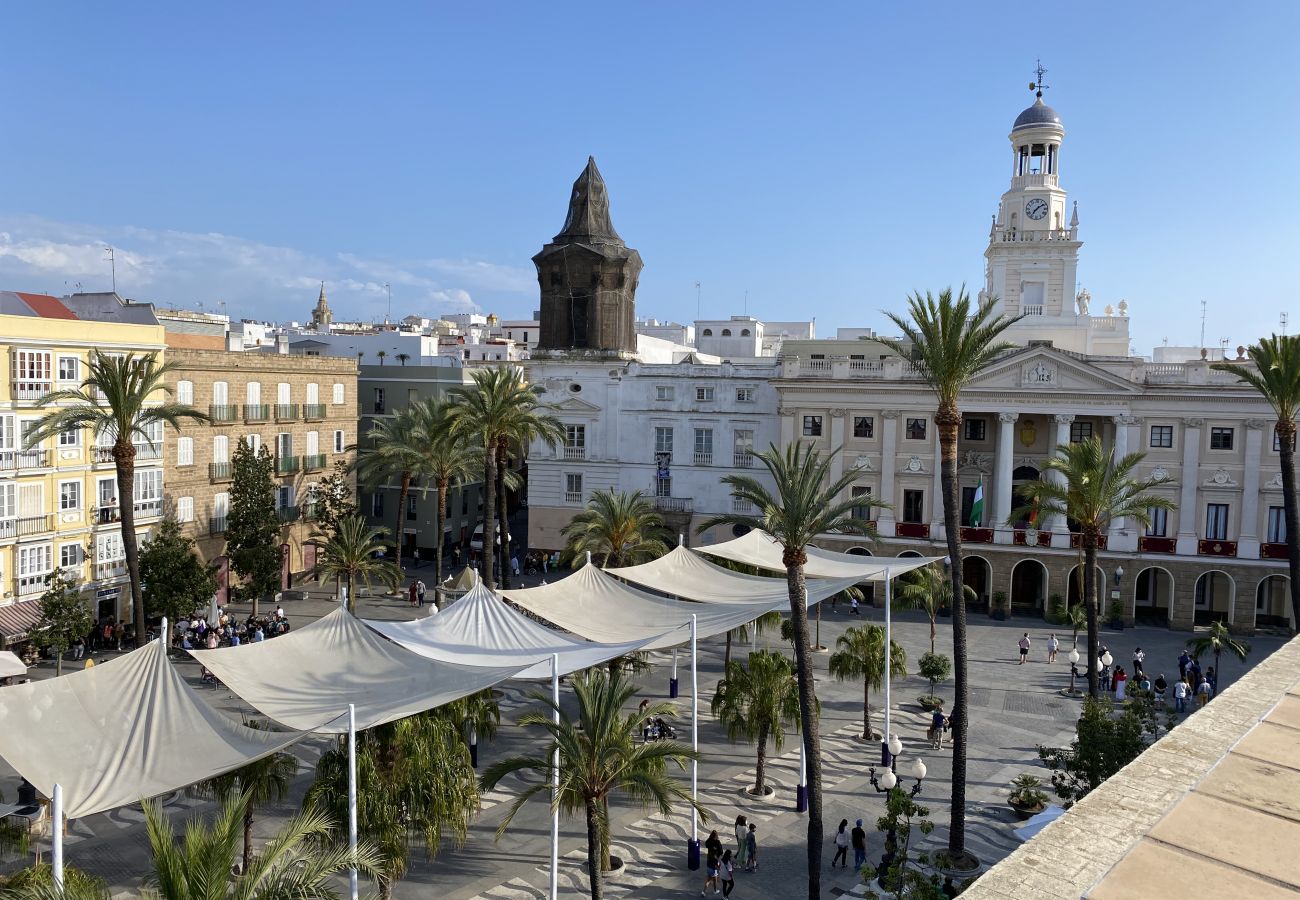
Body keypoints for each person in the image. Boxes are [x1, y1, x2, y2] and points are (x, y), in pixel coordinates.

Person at [703, 829, 723, 895]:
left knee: (711, 877)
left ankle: (710, 890)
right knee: (712, 878)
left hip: (709, 860)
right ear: (716, 835)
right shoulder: (717, 842)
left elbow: (706, 845)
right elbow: (721, 851)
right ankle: (711, 890)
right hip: (714, 861)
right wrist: (718, 855)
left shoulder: (709, 840)